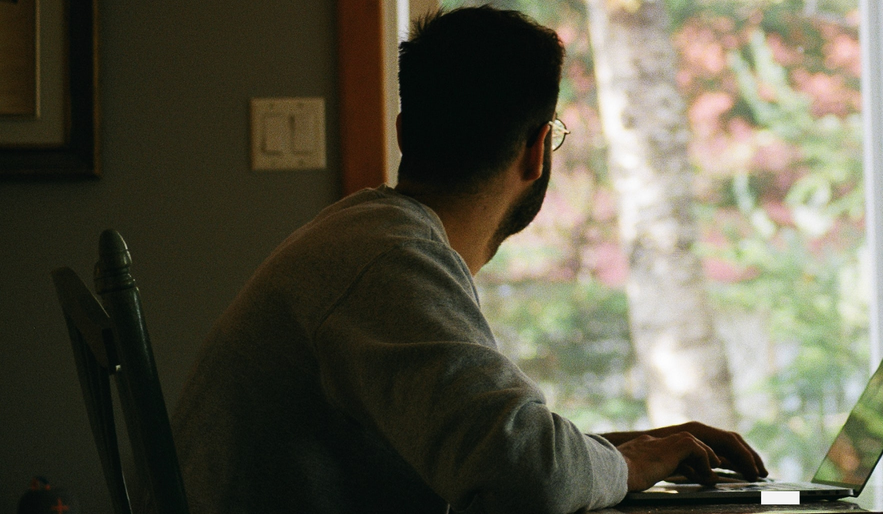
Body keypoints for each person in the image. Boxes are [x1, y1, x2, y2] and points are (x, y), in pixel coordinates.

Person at [171, 5, 767, 514]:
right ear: (536, 150)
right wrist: (627, 466)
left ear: (405, 132)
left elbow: (491, 448)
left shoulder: (364, 237)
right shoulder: (389, 261)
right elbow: (525, 473)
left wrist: (620, 453)